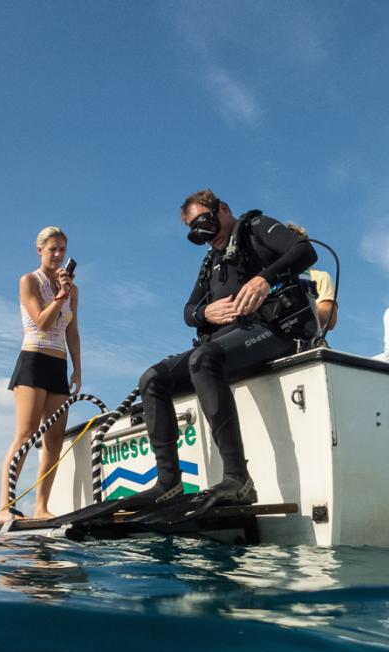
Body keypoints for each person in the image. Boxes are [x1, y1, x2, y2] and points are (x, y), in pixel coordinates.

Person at [135, 189, 317, 507]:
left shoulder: (255, 227)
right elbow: (188, 310)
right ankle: (168, 484)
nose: (205, 236)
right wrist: (205, 313)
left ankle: (237, 480)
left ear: (223, 209)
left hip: (274, 331)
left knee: (203, 360)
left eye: (205, 222)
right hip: (228, 343)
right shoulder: (212, 261)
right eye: (195, 231)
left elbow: (305, 251)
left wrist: (264, 279)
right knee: (152, 378)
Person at [0, 226, 81, 520]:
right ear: (40, 250)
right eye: (52, 249)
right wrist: (59, 295)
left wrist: (77, 369)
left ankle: (41, 507)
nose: (58, 255)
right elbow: (43, 323)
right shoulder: (29, 281)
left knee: (54, 441)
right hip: (33, 360)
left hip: (58, 366)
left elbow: (72, 331)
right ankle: (4, 507)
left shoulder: (73, 290)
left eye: (62, 250)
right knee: (25, 435)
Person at [286, 223, 337, 333]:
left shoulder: (321, 276)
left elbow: (330, 318)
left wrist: (294, 316)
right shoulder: (268, 280)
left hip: (305, 344)